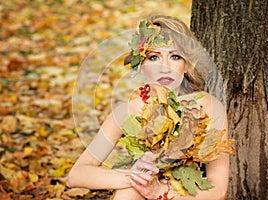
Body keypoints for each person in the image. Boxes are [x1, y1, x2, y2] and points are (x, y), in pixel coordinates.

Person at [68, 14, 230, 200]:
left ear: (186, 66)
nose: (164, 67)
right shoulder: (128, 111)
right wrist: (138, 179)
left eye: (175, 56)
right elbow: (77, 174)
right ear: (142, 65)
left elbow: (218, 190)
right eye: (154, 57)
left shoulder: (207, 107)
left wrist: (160, 192)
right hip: (139, 193)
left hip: (187, 196)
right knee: (128, 191)